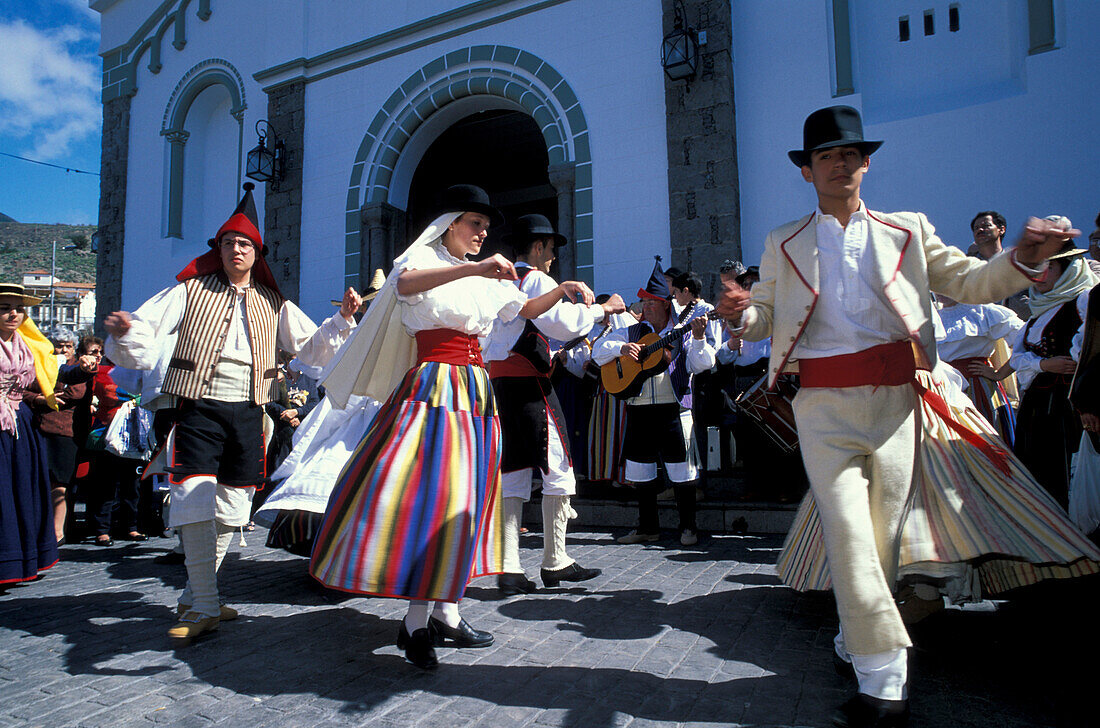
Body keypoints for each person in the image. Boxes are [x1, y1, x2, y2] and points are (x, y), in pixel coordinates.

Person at [716, 105, 1072, 727]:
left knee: (881, 546)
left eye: (849, 154)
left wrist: (1022, 258)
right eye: (825, 156)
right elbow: (766, 316)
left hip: (897, 403)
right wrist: (740, 316)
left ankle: (857, 643)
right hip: (821, 407)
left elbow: (971, 280)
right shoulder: (784, 241)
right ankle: (885, 684)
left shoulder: (907, 230)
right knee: (851, 538)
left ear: (866, 163)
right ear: (807, 170)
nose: (839, 165)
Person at [309, 185, 595, 670]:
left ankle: (445, 613)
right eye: (474, 224)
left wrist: (561, 290)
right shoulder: (425, 258)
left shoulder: (487, 276)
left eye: (486, 227)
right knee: (433, 497)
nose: (482, 234)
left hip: (476, 389)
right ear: (449, 223)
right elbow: (405, 285)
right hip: (436, 386)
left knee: (464, 501)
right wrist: (475, 268)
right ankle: (419, 621)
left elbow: (523, 310)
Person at [104, 183, 360, 645]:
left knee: (231, 505)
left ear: (256, 251)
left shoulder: (272, 301)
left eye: (243, 243)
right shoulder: (189, 291)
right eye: (227, 243)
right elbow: (145, 329)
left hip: (249, 407)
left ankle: (197, 595)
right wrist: (127, 331)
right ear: (218, 250)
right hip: (197, 404)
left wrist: (341, 319)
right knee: (196, 495)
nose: (235, 249)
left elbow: (310, 347)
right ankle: (204, 602)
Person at [484, 213, 625, 595]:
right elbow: (564, 323)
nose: (552, 258)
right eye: (550, 250)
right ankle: (555, 561)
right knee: (558, 466)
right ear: (538, 246)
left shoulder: (500, 281)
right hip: (530, 384)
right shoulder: (537, 280)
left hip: (500, 385)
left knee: (512, 472)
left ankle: (509, 566)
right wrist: (604, 310)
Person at [593, 258, 717, 547]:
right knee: (640, 471)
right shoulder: (633, 332)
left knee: (681, 472)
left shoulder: (683, 330)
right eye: (643, 303)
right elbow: (598, 352)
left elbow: (703, 364)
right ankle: (647, 527)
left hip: (673, 408)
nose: (645, 308)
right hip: (638, 409)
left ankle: (688, 527)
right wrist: (621, 347)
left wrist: (698, 339)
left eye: (651, 303)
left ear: (665, 304)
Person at [1, 283, 95, 586]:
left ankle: (19, 562)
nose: (13, 314)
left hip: (21, 424)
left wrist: (84, 368)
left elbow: (56, 374)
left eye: (17, 308)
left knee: (21, 489)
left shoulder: (31, 345)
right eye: (5, 308)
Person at [1009, 220, 1098, 509]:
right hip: (1037, 407)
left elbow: (1090, 349)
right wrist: (1044, 365)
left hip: (1072, 405)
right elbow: (1017, 359)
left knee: (1072, 473)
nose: (1040, 276)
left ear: (1068, 269)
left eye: (1049, 268)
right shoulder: (1034, 317)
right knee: (1038, 474)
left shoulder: (1084, 302)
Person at [936, 295, 1024, 447]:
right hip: (942, 389)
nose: (940, 291)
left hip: (977, 388)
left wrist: (999, 374)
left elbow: (1024, 341)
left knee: (987, 443)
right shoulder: (930, 316)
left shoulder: (981, 311)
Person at [26, 331, 87, 544]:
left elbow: (74, 394)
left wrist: (45, 396)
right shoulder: (41, 363)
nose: (63, 350)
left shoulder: (76, 367)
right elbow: (25, 389)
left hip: (64, 431)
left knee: (59, 484)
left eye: (67, 345)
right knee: (39, 481)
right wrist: (40, 398)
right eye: (59, 345)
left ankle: (58, 532)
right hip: (37, 429)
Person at [967, 210, 1030, 319]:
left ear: (1001, 229)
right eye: (976, 228)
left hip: (1018, 327)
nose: (980, 230)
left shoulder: (1018, 262)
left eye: (986, 225)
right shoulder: (968, 266)